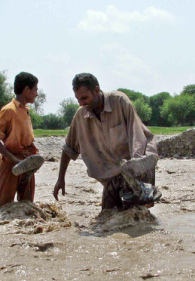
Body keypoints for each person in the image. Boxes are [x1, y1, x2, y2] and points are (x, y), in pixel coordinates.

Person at [53, 73, 160, 210]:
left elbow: (137, 134)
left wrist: (136, 163)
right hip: (112, 173)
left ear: (96, 90)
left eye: (85, 98)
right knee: (108, 216)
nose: (81, 103)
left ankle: (143, 199)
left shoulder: (119, 101)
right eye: (78, 99)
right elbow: (68, 149)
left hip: (139, 163)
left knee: (139, 213)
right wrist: (60, 179)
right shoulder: (80, 116)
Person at [0, 72, 39, 208]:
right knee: (5, 207)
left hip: (27, 162)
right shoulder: (8, 110)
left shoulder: (25, 110)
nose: (36, 94)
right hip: (11, 163)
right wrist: (15, 161)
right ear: (26, 90)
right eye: (35, 89)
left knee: (28, 207)